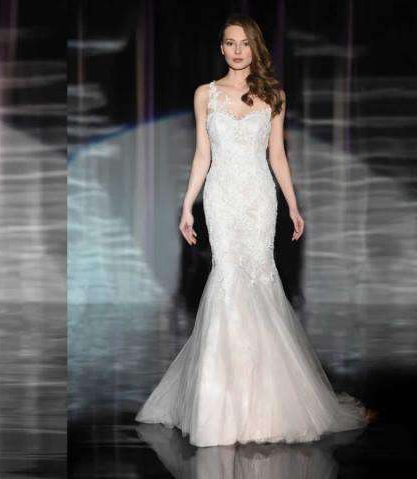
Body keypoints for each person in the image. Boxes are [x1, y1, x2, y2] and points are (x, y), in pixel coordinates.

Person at [135, 14, 368, 447]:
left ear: (255, 47)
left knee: (260, 280)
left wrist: (292, 205)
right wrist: (187, 205)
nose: (237, 50)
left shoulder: (273, 95)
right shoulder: (205, 94)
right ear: (221, 48)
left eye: (244, 43)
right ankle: (220, 404)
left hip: (260, 197)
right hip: (221, 197)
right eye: (230, 42)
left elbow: (277, 154)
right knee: (227, 278)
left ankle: (265, 402)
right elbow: (202, 155)